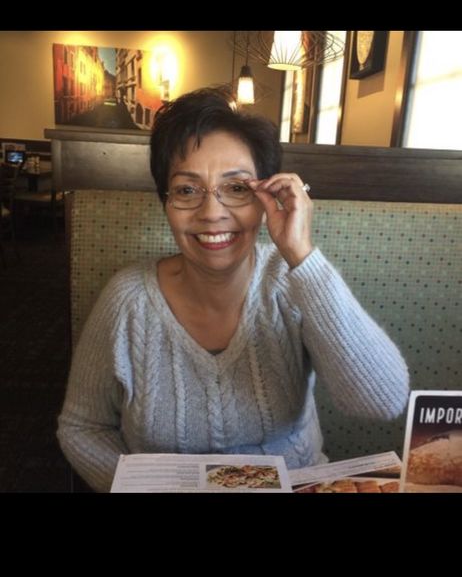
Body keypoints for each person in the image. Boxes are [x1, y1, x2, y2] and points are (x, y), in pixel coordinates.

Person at [57, 87, 410, 492]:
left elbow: (382, 401)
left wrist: (300, 253)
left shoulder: (292, 281)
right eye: (187, 190)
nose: (212, 213)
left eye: (237, 188)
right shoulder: (128, 299)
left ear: (266, 199)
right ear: (165, 202)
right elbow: (83, 427)